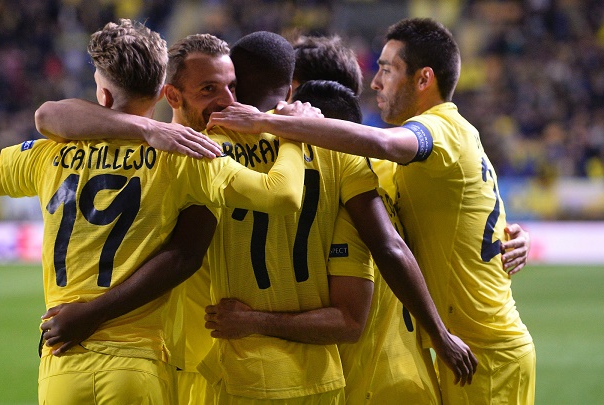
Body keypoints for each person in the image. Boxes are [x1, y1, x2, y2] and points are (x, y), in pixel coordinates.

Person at [35, 30, 478, 403]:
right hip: (323, 375)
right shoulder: (342, 155)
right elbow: (390, 242)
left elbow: (184, 251)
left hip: (225, 366)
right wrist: (440, 331)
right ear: (290, 90)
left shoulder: (205, 147)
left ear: (237, 85)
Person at [0, 15, 307, 404]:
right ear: (165, 94)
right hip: (138, 365)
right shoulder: (185, 158)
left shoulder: (48, 155)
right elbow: (279, 196)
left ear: (103, 96)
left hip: (63, 359)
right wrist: (293, 131)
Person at [209, 18, 535, 404]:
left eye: (386, 69)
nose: (376, 83)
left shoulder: (427, 136)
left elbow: (385, 153)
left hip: (476, 351)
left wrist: (271, 123)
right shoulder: (383, 172)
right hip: (445, 357)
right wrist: (512, 235)